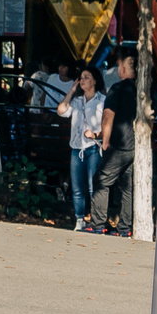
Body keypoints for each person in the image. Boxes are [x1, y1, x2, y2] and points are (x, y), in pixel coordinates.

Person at [88, 49, 140, 236]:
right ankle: (125, 228)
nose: (119, 69)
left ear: (124, 69)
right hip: (136, 144)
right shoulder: (141, 91)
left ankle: (97, 224)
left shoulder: (117, 89)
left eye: (120, 66)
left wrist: (105, 141)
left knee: (101, 180)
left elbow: (108, 116)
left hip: (119, 143)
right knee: (128, 187)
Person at [61, 66, 106, 225]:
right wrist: (72, 90)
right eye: (81, 77)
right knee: (77, 187)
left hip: (93, 147)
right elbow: (61, 110)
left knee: (92, 185)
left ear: (94, 81)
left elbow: (107, 126)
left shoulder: (101, 101)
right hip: (76, 148)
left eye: (86, 77)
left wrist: (95, 135)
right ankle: (80, 218)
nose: (82, 80)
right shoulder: (76, 101)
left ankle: (94, 219)